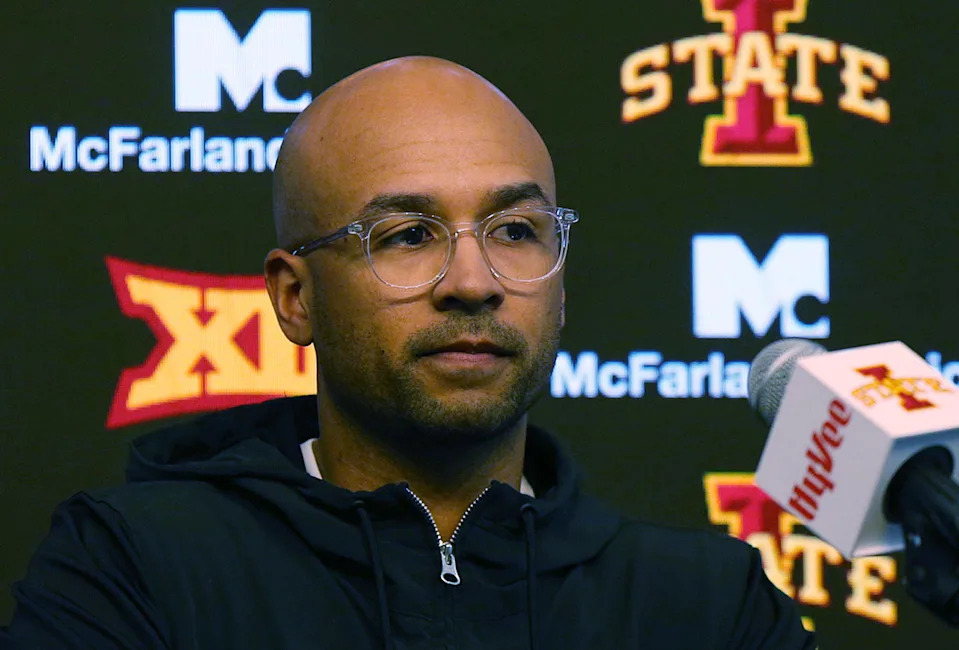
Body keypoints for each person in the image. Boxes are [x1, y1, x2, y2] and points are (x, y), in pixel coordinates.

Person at [1, 56, 815, 649]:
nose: (473, 281)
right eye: (407, 236)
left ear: (560, 281)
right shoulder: (135, 566)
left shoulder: (706, 606)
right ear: (295, 298)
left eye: (516, 232)